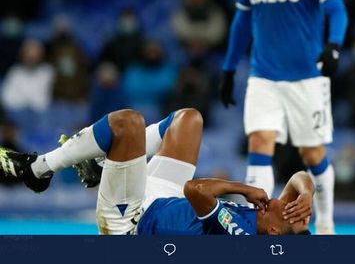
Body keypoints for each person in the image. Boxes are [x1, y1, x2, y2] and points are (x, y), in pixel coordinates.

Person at [219, 0, 348, 234]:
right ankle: (256, 226)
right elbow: (242, 22)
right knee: (259, 142)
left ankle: (326, 225)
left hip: (306, 77)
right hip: (263, 76)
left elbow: (336, 8)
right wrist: (229, 68)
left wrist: (334, 46)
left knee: (312, 154)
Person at [0, 108, 313, 235]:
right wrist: (308, 193)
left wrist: (244, 189)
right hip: (167, 200)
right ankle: (100, 164)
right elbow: (300, 179)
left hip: (133, 220)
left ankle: (37, 169)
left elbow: (196, 190)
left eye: (294, 214)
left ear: (273, 231)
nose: (293, 207)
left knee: (127, 124)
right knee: (189, 119)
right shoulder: (271, 220)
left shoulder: (239, 235)